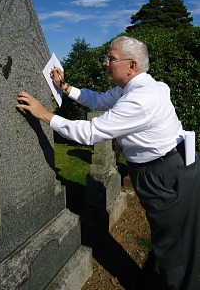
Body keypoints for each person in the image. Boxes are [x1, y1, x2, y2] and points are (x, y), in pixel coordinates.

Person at [17, 36, 200, 290]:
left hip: (163, 173)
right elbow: (100, 101)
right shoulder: (133, 87)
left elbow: (90, 133)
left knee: (174, 247)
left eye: (111, 59)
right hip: (163, 168)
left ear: (131, 65)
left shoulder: (141, 99)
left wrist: (45, 115)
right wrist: (65, 87)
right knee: (173, 240)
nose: (105, 63)